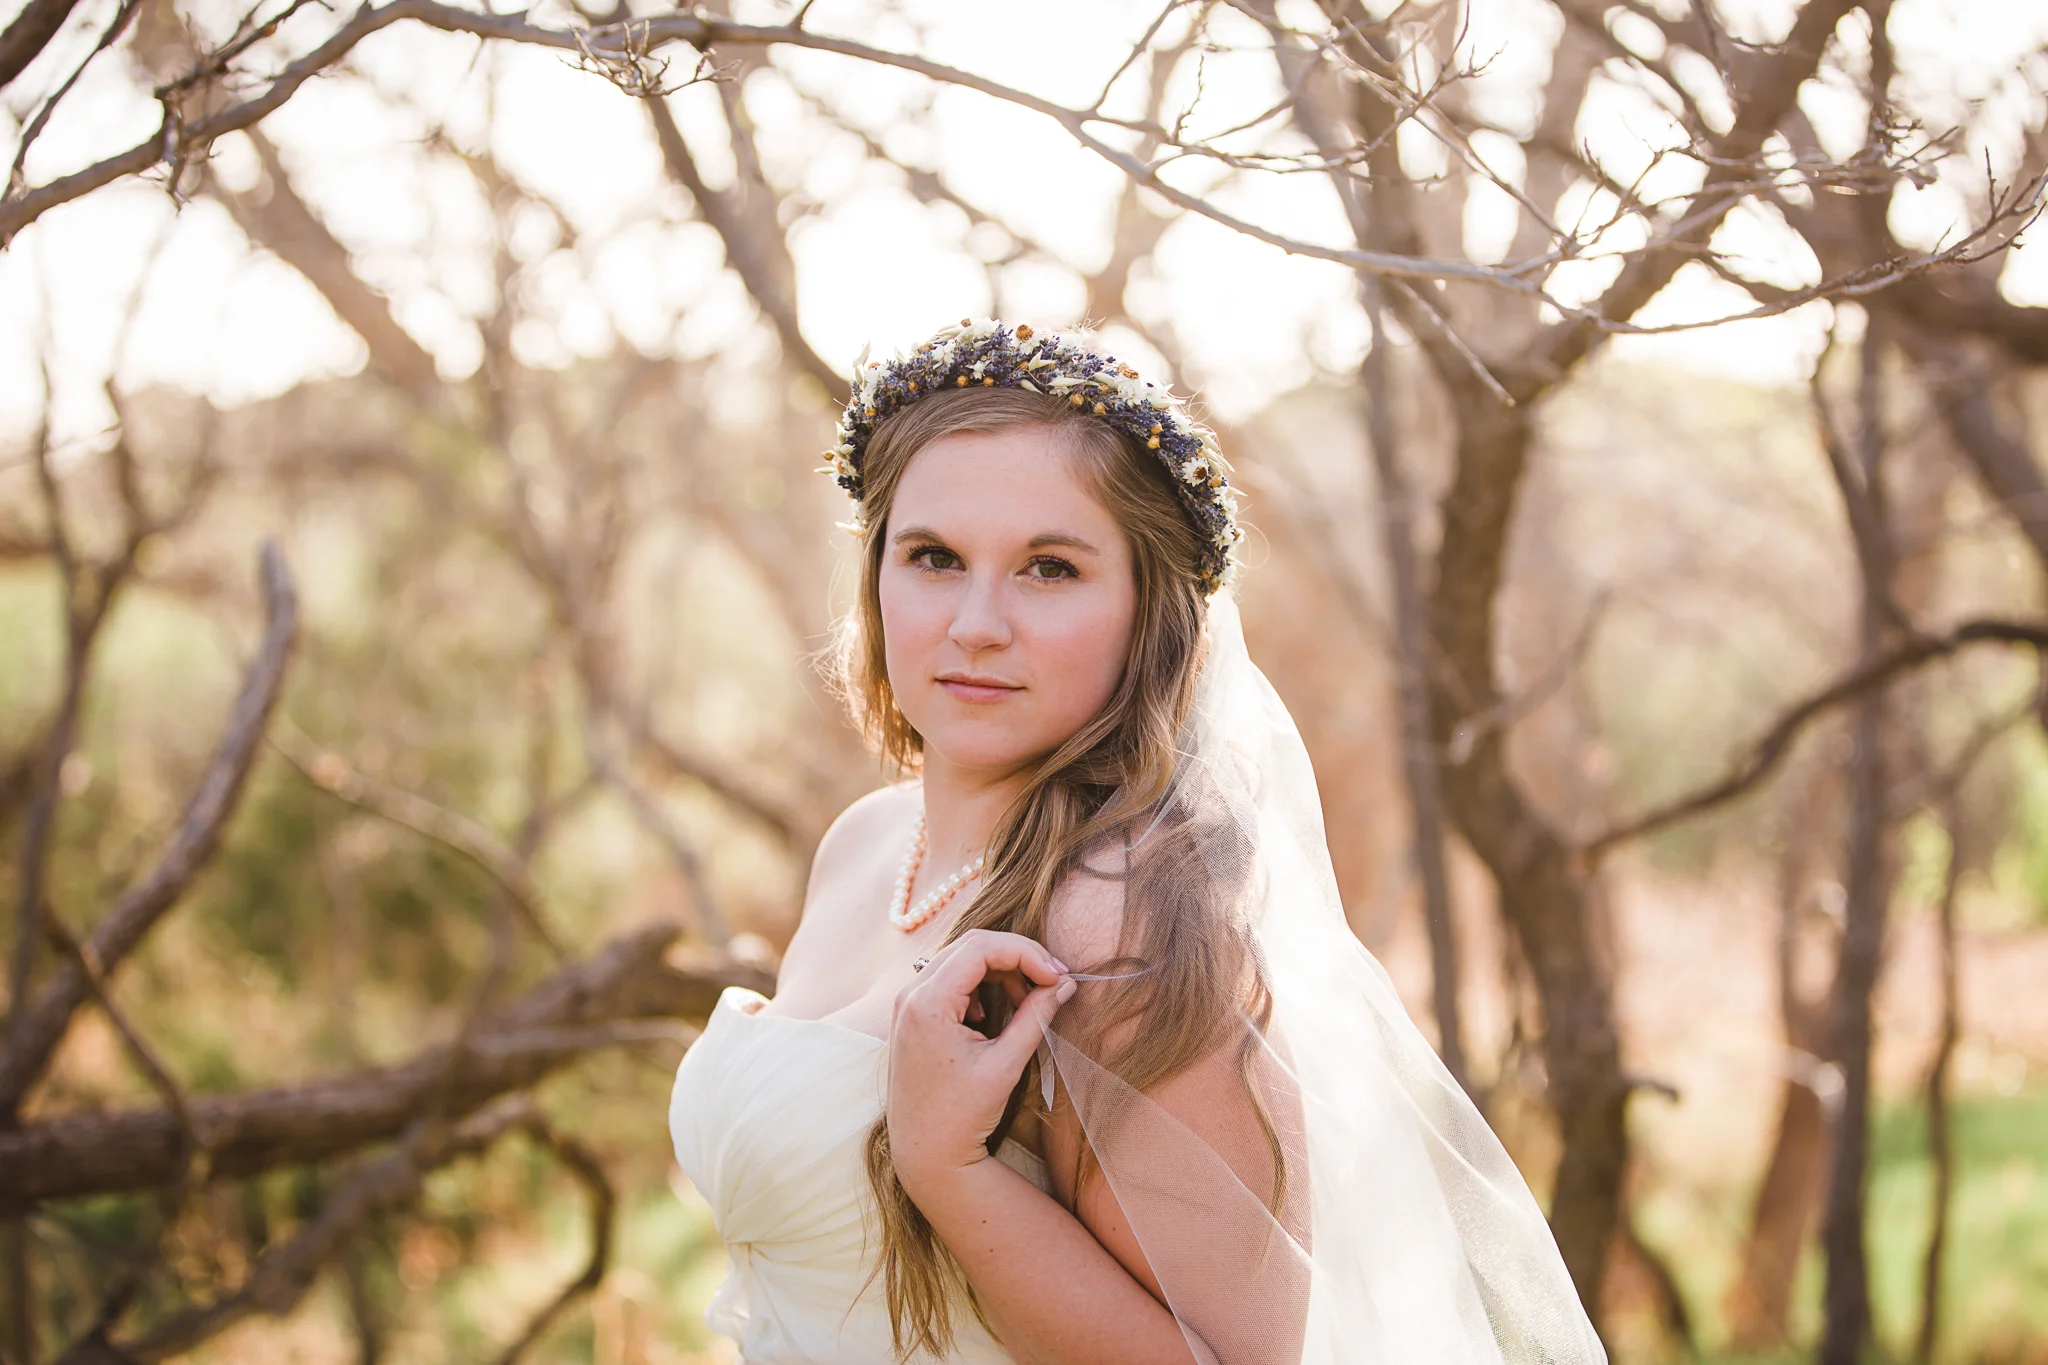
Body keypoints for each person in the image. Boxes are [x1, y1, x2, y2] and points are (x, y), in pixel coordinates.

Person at [668, 319, 1606, 1365]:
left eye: (1049, 568)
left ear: (1146, 613)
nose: (976, 622)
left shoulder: (1122, 921)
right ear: (876, 572)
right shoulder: (865, 842)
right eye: (933, 557)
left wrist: (948, 1169)